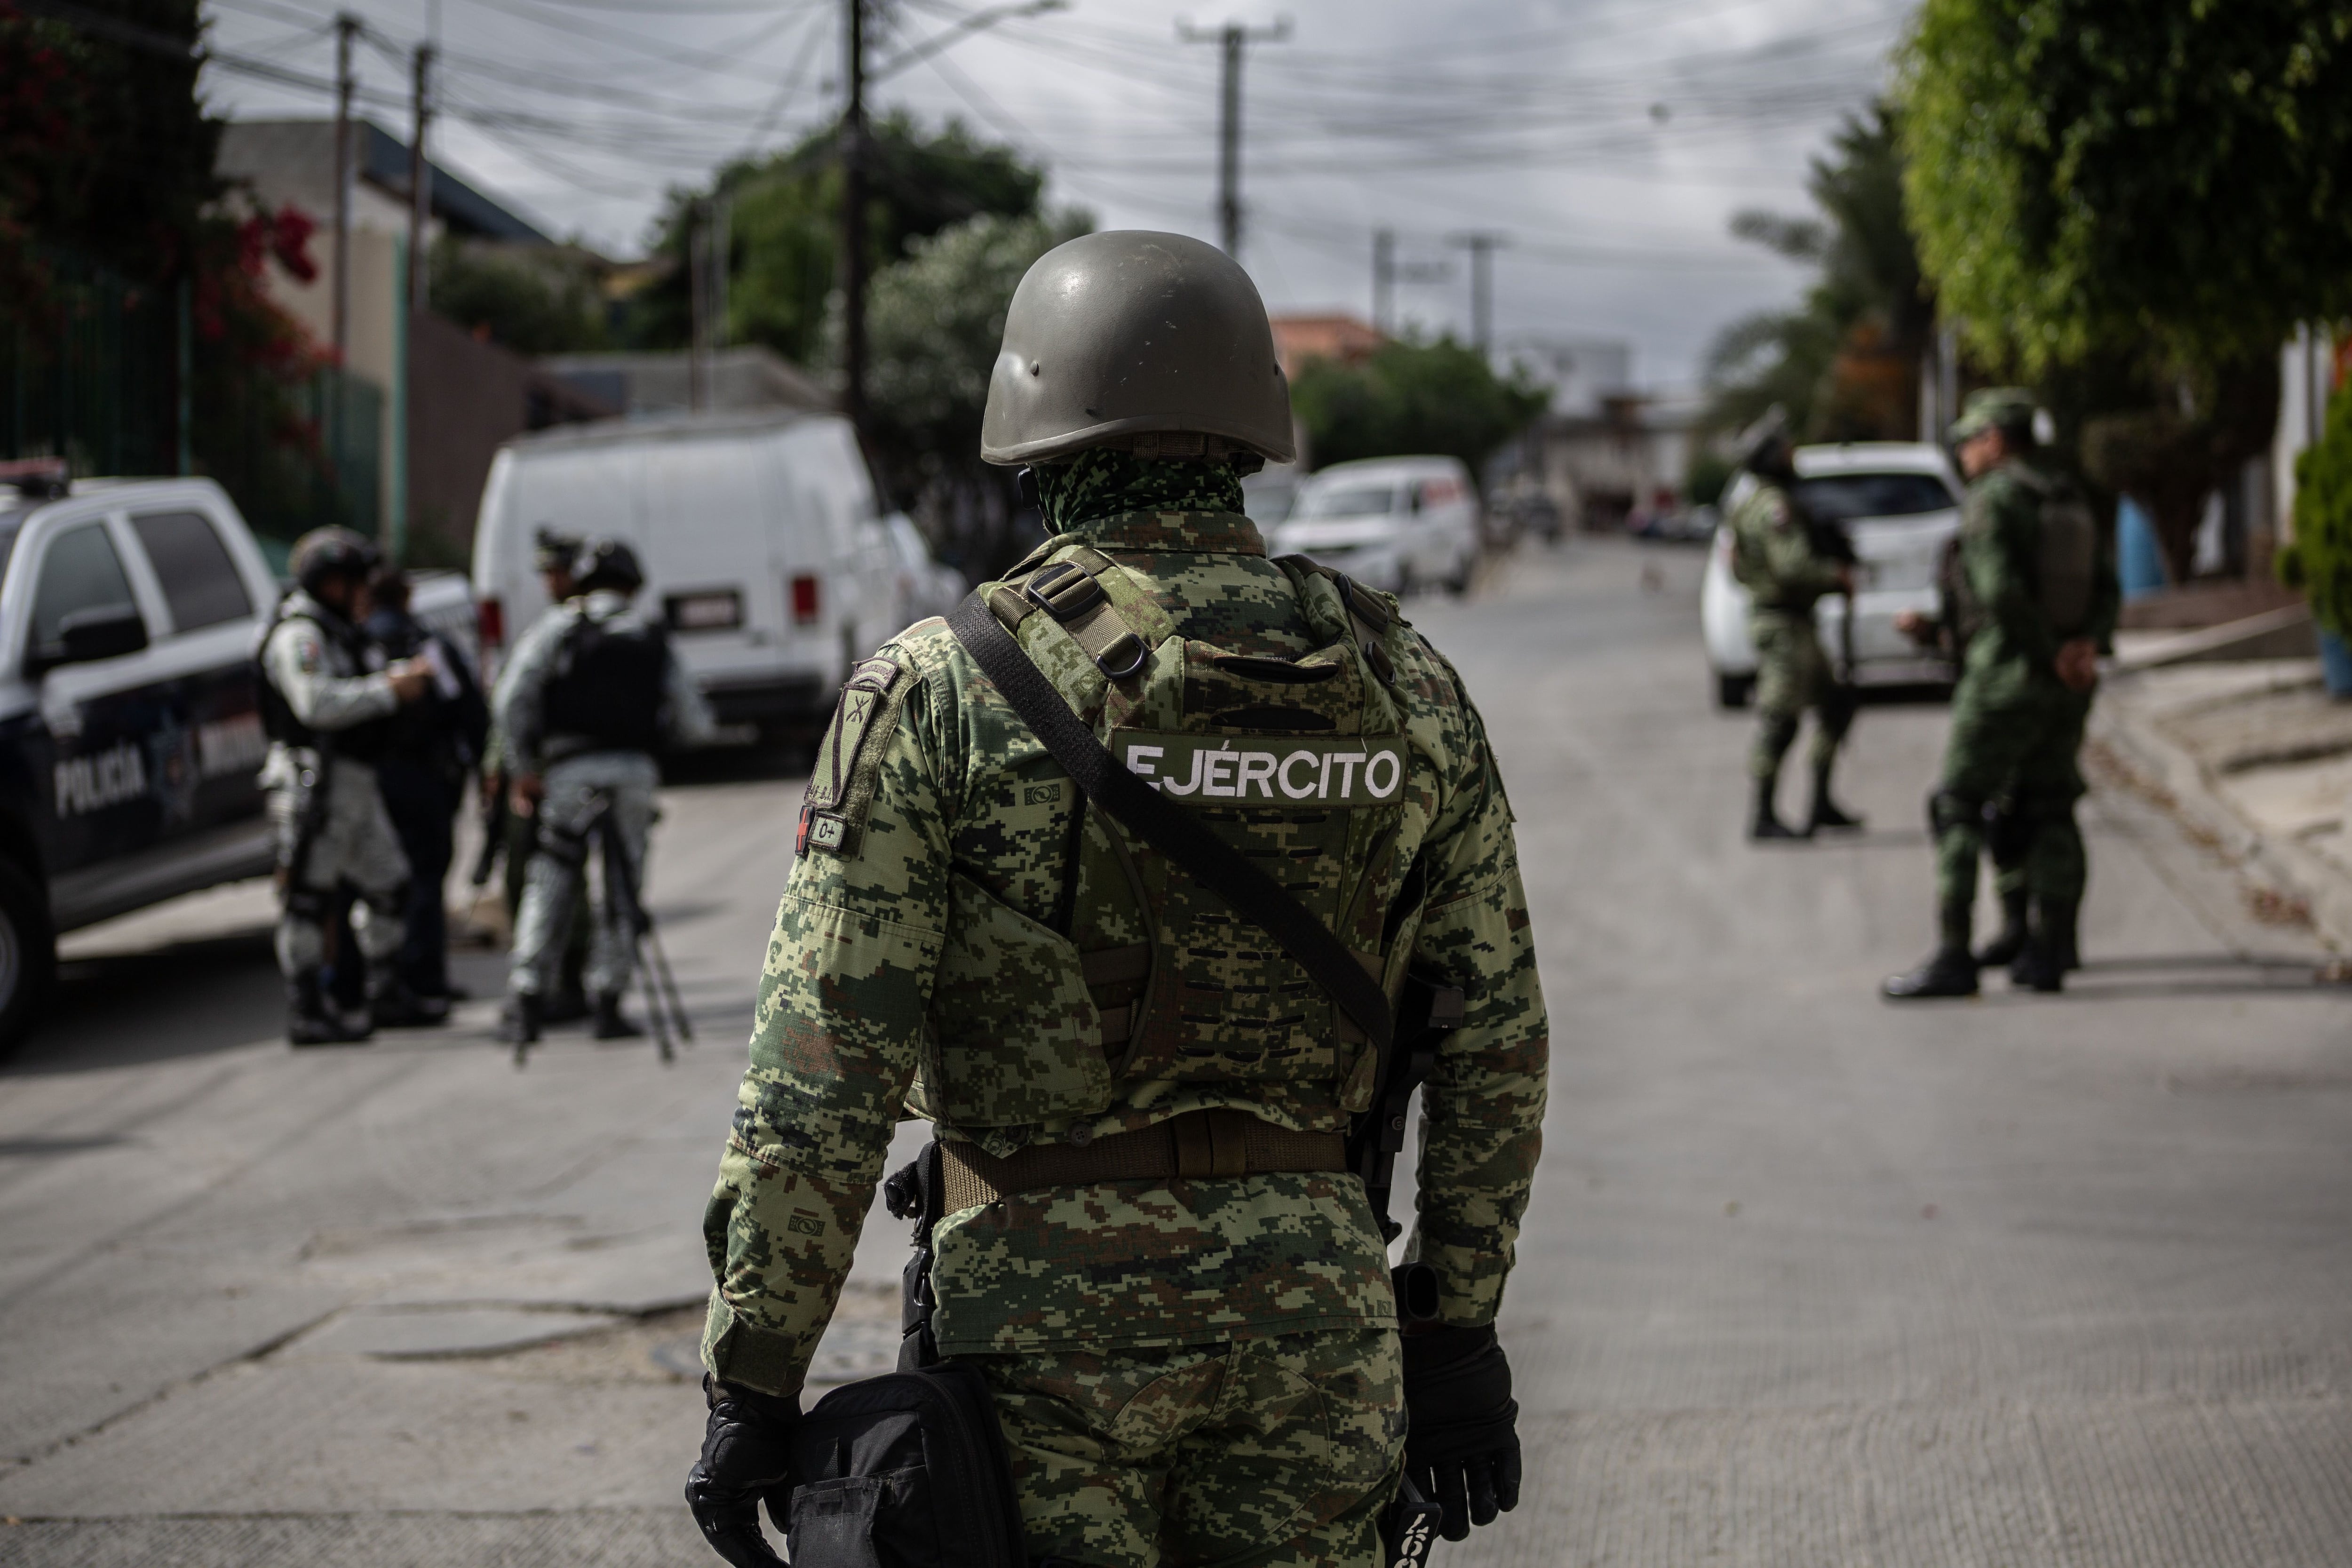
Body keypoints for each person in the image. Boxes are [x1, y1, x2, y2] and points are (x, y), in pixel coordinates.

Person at [684, 231, 1549, 1567]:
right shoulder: (1408, 682)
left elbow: (821, 1074)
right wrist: (1455, 1323)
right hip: (1315, 1323)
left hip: (1038, 1342)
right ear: (1253, 428)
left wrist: (754, 1372)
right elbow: (1494, 1038)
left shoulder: (939, 688)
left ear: (1035, 432)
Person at [1883, 389, 2118, 1000]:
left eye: (1968, 439)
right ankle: (2051, 948)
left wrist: (2045, 650)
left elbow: (1999, 592)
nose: (1962, 452)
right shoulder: (2068, 492)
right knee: (2049, 806)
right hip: (2069, 681)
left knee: (1958, 805)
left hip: (2007, 676)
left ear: (1994, 440)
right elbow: (2108, 585)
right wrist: (2082, 648)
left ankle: (1955, 955)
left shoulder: (1995, 498)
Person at [493, 537, 713, 1045]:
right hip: (633, 775)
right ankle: (607, 1004)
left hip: (569, 774)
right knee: (623, 888)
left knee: (550, 879)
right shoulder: (651, 635)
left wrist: (522, 767)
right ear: (633, 586)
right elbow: (696, 724)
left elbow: (510, 697)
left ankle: (527, 996)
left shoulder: (559, 627)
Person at [257, 527, 433, 1044]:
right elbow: (316, 704)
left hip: (354, 784)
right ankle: (307, 1007)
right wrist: (388, 691)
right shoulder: (301, 636)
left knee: (391, 886)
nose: (366, 595)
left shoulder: (340, 631)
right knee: (308, 900)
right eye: (358, 583)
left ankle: (386, 992)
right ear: (334, 584)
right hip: (314, 784)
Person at [1725, 408, 1862, 839]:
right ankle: (1762, 816)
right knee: (1780, 719)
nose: (1793, 454)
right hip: (1783, 625)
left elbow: (1739, 567)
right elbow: (1792, 566)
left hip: (1793, 623)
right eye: (1786, 448)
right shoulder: (1774, 507)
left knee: (1837, 704)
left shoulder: (1753, 504)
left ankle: (1820, 803)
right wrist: (1833, 575)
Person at [364, 566, 490, 1015]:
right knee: (424, 875)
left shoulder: (357, 643)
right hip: (423, 778)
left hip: (370, 780)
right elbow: (469, 713)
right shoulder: (427, 644)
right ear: (407, 596)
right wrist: (486, 768)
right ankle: (421, 977)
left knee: (377, 880)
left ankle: (380, 976)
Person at [487, 528, 593, 1021]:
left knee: (562, 876)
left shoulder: (577, 629)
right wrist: (503, 768)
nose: (553, 581)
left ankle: (567, 980)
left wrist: (523, 770)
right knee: (523, 876)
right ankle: (543, 981)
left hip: (558, 769)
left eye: (560, 571)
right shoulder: (548, 627)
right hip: (531, 768)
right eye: (548, 572)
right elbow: (511, 706)